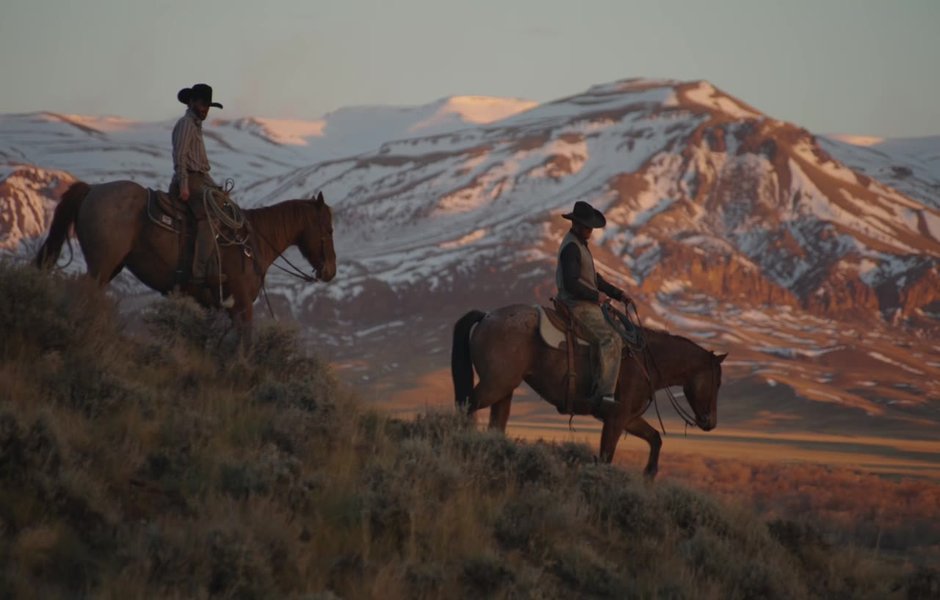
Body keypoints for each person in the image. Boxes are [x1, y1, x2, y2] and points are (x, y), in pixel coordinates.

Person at [556, 200, 632, 414]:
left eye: (591, 227)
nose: (590, 231)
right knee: (611, 338)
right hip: (576, 305)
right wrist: (595, 296)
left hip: (584, 302)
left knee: (619, 332)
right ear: (577, 224)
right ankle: (604, 395)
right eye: (588, 227)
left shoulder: (579, 245)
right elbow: (571, 282)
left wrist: (618, 294)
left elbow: (593, 278)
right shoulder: (571, 247)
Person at [169, 83, 226, 286]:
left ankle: (213, 264)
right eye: (202, 104)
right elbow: (180, 156)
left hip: (199, 179)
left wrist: (216, 188)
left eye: (208, 106)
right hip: (189, 180)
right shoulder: (186, 124)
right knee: (211, 216)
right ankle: (199, 273)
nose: (205, 109)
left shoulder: (196, 126)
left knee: (225, 206)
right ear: (191, 102)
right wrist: (184, 184)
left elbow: (201, 167)